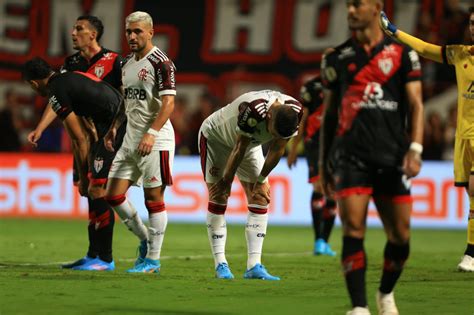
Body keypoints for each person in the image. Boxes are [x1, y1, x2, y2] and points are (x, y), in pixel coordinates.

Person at [320, 1, 424, 314]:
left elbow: (417, 105)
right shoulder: (336, 58)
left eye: (357, 4)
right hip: (351, 157)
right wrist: (325, 164)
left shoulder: (403, 54)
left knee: (400, 237)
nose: (350, 10)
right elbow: (327, 115)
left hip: (392, 156)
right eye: (348, 5)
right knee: (353, 229)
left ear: (376, 7)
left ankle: (385, 293)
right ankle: (359, 307)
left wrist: (415, 149)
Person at [380, 6, 474, 273]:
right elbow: (423, 48)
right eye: (471, 23)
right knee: (471, 195)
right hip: (462, 137)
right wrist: (394, 32)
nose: (473, 28)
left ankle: (471, 253)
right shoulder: (459, 54)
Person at [26, 15, 124, 271]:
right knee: (91, 191)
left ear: (93, 34)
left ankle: (107, 256)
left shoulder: (115, 61)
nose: (72, 32)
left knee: (97, 188)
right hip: (85, 133)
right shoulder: (71, 64)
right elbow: (58, 99)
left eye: (79, 28)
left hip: (108, 133)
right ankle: (94, 253)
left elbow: (123, 96)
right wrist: (40, 127)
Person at [199, 90, 303, 280]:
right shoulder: (254, 109)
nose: (273, 136)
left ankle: (254, 266)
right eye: (272, 131)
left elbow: (278, 148)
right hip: (216, 140)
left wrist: (262, 179)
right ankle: (220, 264)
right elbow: (238, 148)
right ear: (269, 115)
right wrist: (226, 181)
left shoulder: (294, 111)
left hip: (250, 145)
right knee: (219, 196)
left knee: (260, 196)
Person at [104, 11, 176, 274]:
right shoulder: (126, 64)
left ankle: (153, 261)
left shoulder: (161, 63)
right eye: (128, 32)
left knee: (153, 198)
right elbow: (128, 102)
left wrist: (152, 133)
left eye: (137, 31)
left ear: (150, 33)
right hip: (130, 139)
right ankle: (146, 239)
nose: (132, 36)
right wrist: (114, 128)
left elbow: (169, 103)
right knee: (112, 194)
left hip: (156, 141)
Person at [287, 75, 336, 256]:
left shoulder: (343, 82)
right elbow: (304, 117)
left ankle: (324, 240)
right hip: (314, 142)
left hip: (336, 142)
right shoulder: (312, 86)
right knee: (319, 186)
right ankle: (318, 240)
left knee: (333, 191)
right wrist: (293, 149)